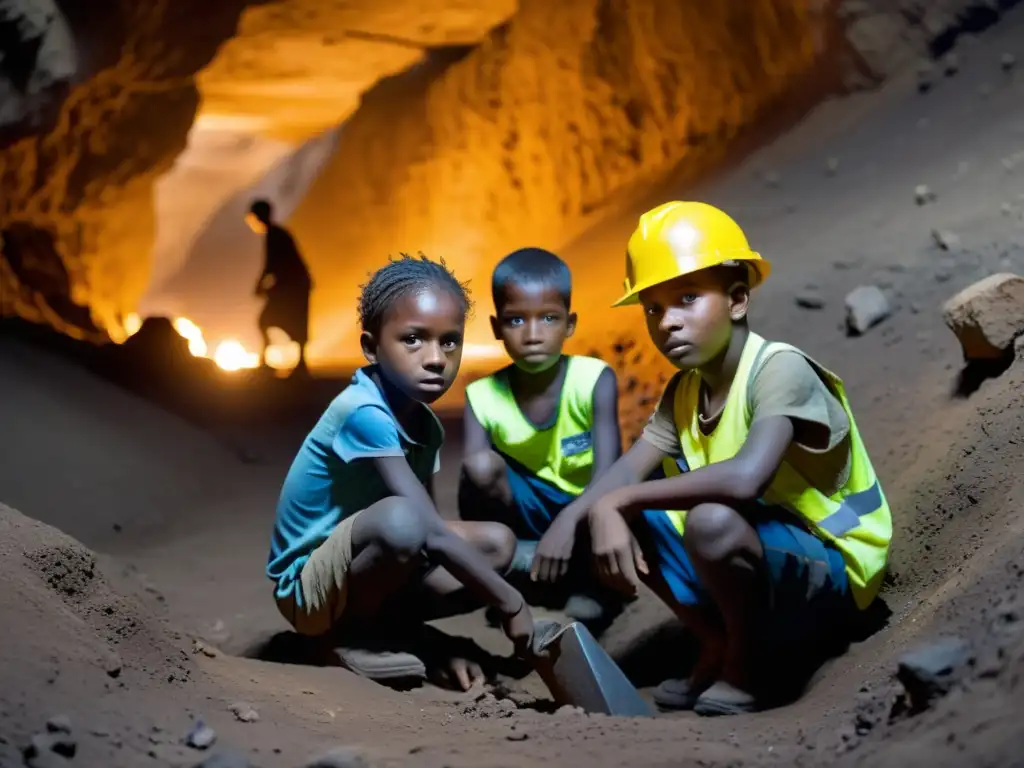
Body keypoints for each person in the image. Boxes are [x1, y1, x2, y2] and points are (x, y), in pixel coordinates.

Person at [531, 201, 892, 716]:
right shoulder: (685, 391)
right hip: (768, 556)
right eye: (653, 308)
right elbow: (625, 473)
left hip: (834, 568)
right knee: (620, 509)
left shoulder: (778, 369)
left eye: (687, 299)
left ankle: (752, 666)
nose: (667, 323)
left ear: (738, 300)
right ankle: (718, 643)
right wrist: (577, 516)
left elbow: (745, 479)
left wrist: (618, 501)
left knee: (709, 520)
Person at [266, 254, 534, 691]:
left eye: (449, 342)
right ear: (371, 347)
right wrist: (510, 602)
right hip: (309, 590)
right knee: (404, 520)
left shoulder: (422, 424)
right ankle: (344, 640)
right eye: (413, 339)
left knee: (496, 545)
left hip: (365, 565)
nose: (435, 359)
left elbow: (432, 530)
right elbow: (420, 526)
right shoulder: (363, 411)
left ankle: (399, 632)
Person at [458, 248, 624, 625]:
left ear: (570, 324)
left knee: (627, 488)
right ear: (497, 327)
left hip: (586, 511)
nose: (532, 335)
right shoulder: (482, 395)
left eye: (548, 318)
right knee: (480, 467)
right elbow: (475, 483)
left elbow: (610, 476)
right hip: (525, 516)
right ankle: (506, 573)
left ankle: (592, 584)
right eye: (516, 320)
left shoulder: (594, 380)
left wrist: (568, 524)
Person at [246, 199, 313, 373]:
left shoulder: (274, 235)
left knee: (272, 320)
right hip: (292, 284)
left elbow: (271, 265)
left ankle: (289, 362)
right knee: (288, 320)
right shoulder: (276, 233)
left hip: (293, 285)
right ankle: (295, 363)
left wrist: (260, 285)